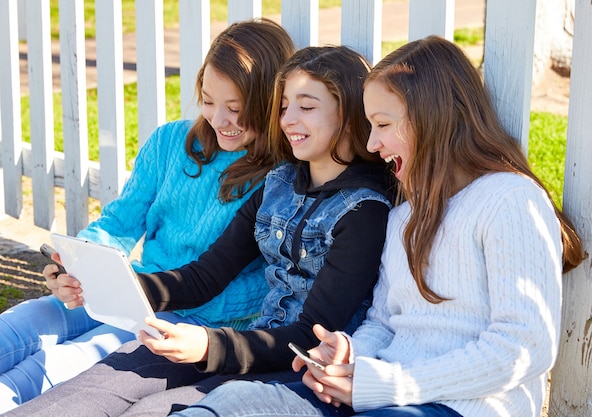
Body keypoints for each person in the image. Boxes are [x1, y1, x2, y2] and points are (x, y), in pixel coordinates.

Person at [164, 36, 584, 417]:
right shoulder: (404, 215)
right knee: (232, 403)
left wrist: (386, 384)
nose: (371, 144)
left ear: (431, 119)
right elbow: (383, 323)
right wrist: (348, 354)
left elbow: (525, 346)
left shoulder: (508, 199)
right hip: (380, 392)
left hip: (458, 406)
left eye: (382, 125)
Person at [7, 45, 397, 417]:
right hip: (235, 347)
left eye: (306, 107)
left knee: (149, 410)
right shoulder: (278, 184)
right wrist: (101, 281)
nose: (287, 120)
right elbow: (204, 276)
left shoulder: (363, 212)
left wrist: (210, 345)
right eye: (283, 107)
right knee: (106, 380)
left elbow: (310, 337)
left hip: (289, 369)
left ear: (348, 115)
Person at [0, 18, 296, 411]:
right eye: (208, 101)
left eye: (236, 109)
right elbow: (119, 223)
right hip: (130, 290)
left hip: (190, 322)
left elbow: (262, 287)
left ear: (268, 103)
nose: (219, 119)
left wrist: (153, 299)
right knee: (22, 323)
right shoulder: (171, 142)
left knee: (60, 363)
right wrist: (78, 263)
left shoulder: (279, 179)